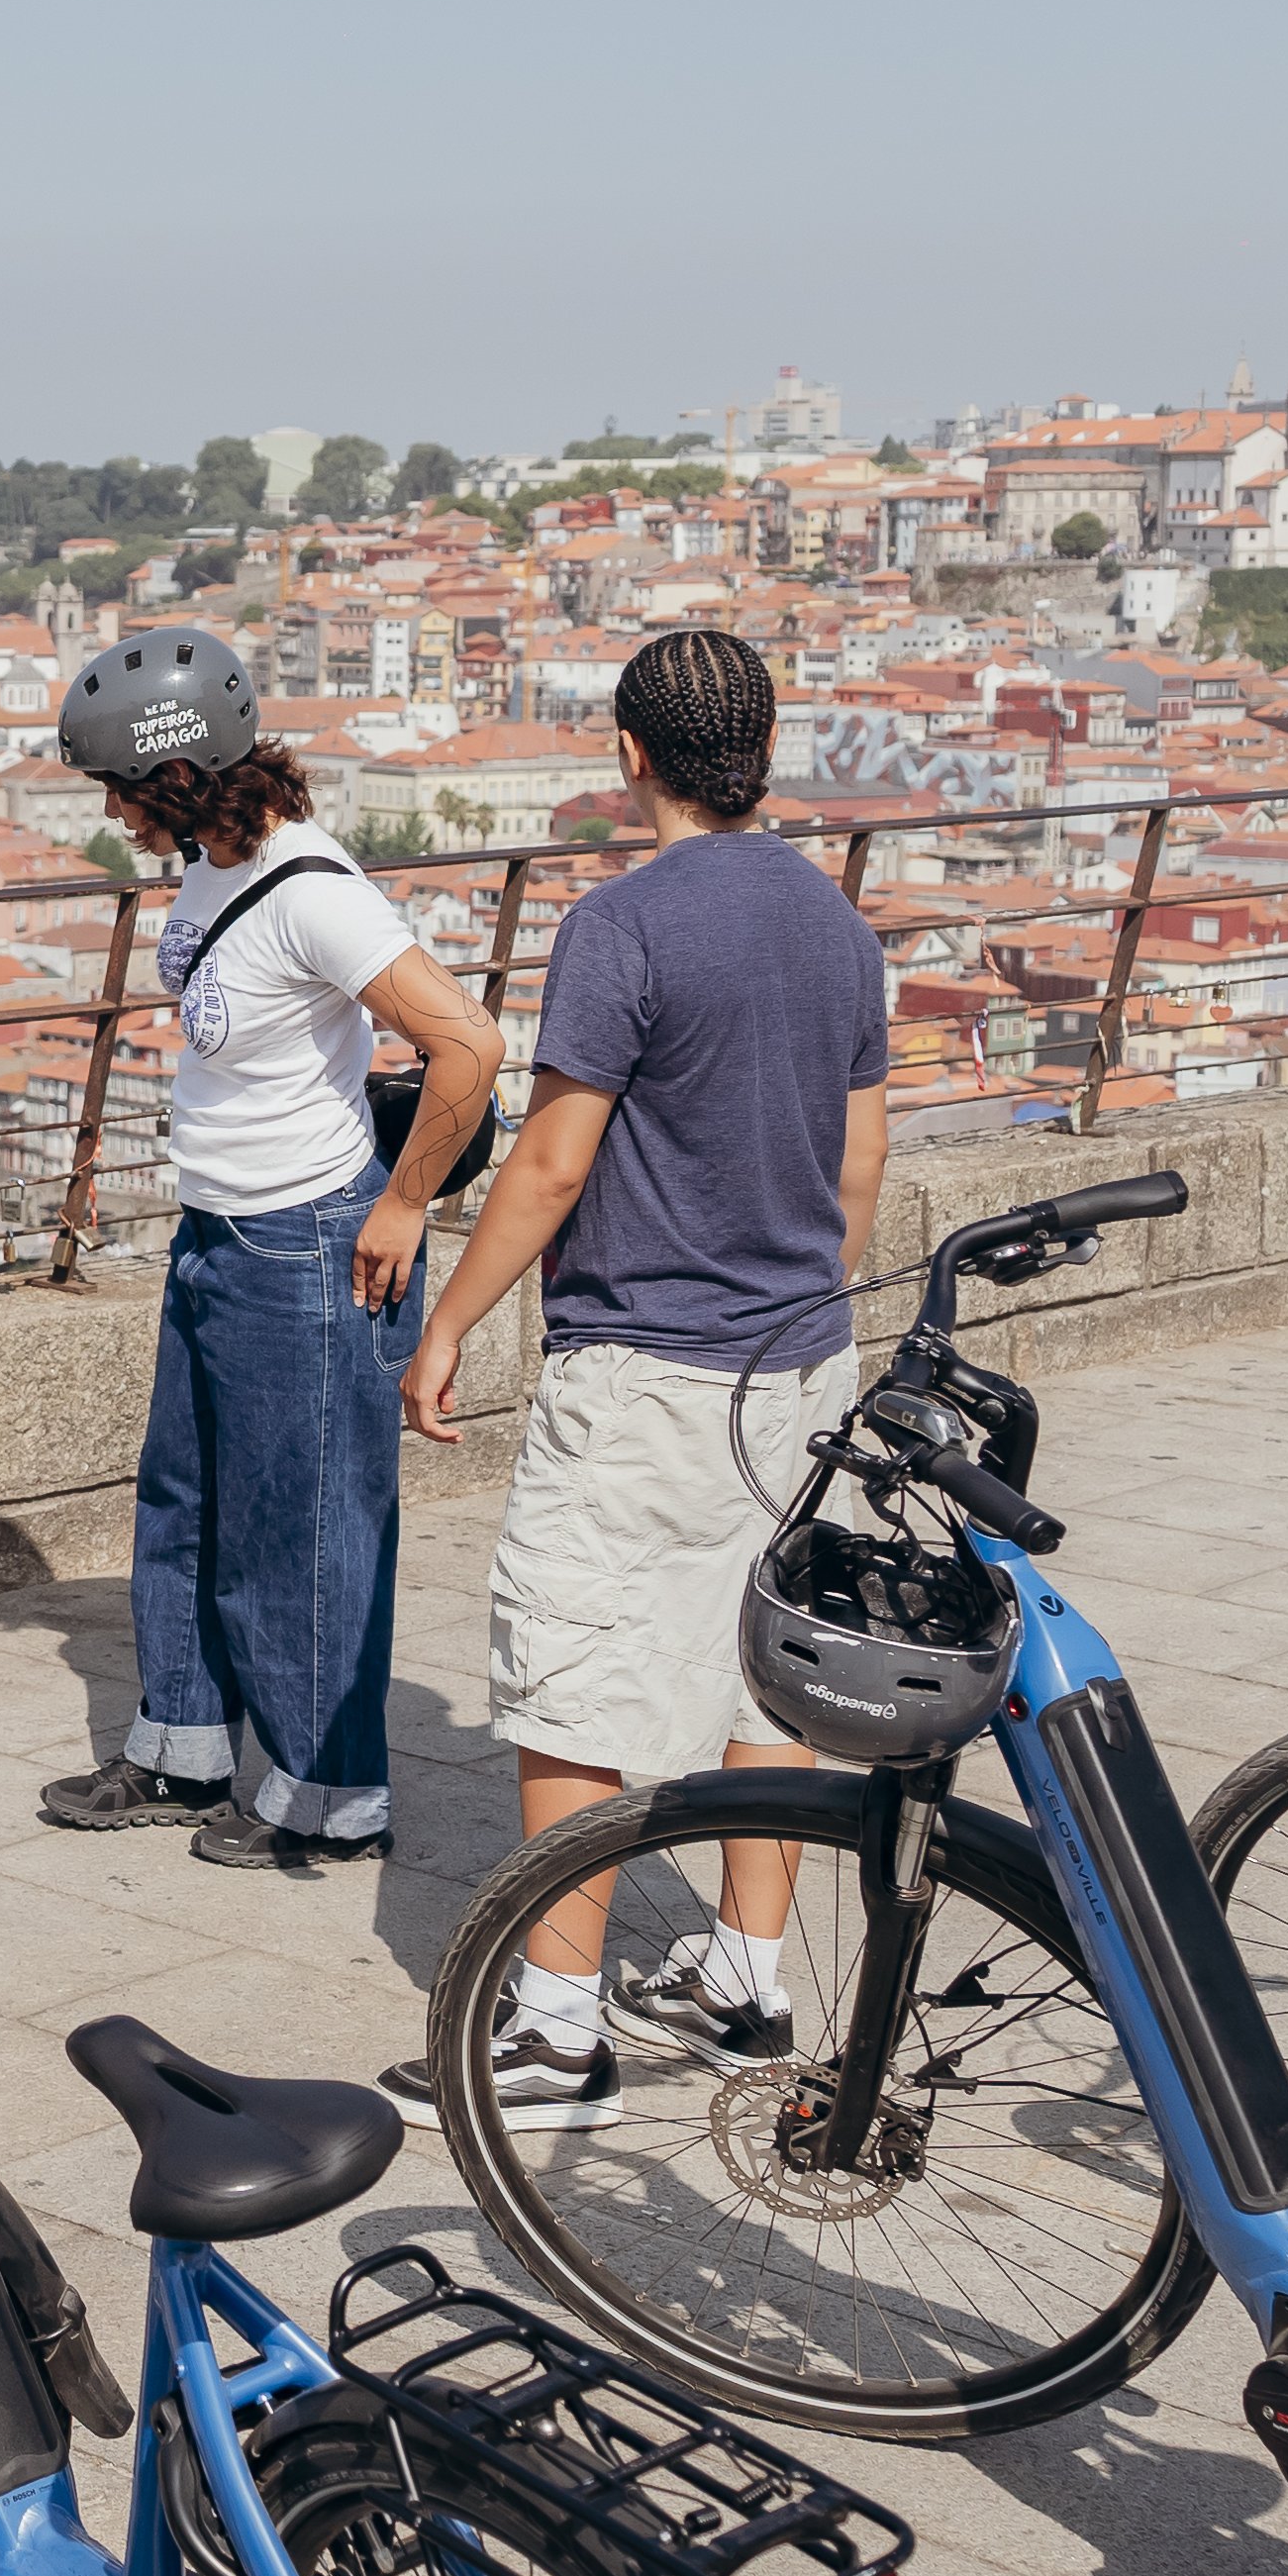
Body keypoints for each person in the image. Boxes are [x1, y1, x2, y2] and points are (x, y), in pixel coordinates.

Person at [390, 624, 890, 2133]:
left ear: (629, 754)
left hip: (649, 1353)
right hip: (798, 1353)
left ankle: (554, 2030)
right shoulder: (835, 922)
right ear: (766, 749)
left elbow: (551, 1157)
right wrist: (809, 1292)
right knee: (765, 1659)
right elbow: (860, 1152)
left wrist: (449, 1316)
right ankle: (746, 1976)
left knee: (576, 1668)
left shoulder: (624, 925)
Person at [28, 627, 503, 1876]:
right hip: (216, 1232)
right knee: (181, 1504)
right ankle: (182, 1742)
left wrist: (400, 1208)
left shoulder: (315, 893)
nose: (114, 818)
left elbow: (470, 1048)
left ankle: (326, 1795)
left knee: (303, 1529)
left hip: (306, 1244)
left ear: (174, 779)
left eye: (120, 793)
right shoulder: (210, 866)